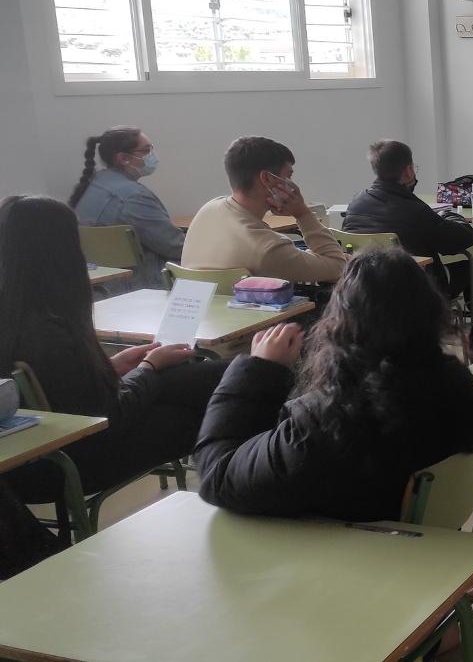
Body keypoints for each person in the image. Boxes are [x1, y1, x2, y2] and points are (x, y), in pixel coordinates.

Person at [195, 248, 473, 519]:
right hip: (424, 554)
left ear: (339, 326)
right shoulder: (461, 390)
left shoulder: (324, 425)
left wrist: (256, 370)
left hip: (347, 563)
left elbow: (217, 477)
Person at [0, 196, 228, 502]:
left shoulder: (19, 315)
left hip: (34, 456)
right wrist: (149, 368)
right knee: (209, 405)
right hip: (68, 463)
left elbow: (69, 393)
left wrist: (114, 366)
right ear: (60, 252)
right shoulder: (48, 332)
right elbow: (109, 418)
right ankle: (244, 485)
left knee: (214, 376)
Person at [343, 140, 473, 315]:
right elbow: (463, 239)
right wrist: (452, 216)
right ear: (408, 170)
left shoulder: (356, 203)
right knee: (470, 268)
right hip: (417, 288)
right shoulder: (415, 210)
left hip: (367, 288)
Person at [182, 136, 347, 283]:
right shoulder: (268, 250)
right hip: (261, 318)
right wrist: (302, 213)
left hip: (206, 316)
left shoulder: (207, 210)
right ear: (267, 178)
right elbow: (338, 267)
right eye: (288, 176)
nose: (291, 183)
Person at [69, 127, 185, 290]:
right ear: (124, 158)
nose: (152, 155)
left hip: (104, 285)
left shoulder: (95, 184)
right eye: (146, 151)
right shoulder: (134, 198)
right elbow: (176, 247)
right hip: (141, 284)